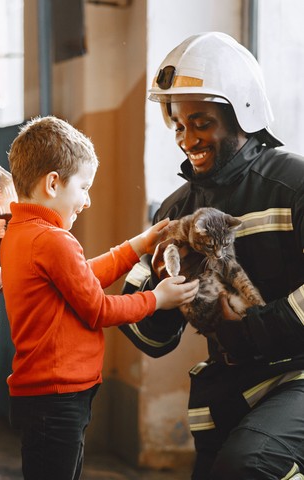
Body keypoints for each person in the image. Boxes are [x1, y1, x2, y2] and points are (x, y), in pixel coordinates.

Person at [120, 32, 304, 480]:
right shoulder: (175, 211)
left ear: (242, 114)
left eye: (201, 122)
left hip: (297, 380)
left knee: (250, 466)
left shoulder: (294, 184)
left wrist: (249, 332)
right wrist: (162, 286)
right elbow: (149, 336)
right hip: (228, 393)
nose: (186, 139)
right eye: (179, 125)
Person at [0, 115, 199, 480]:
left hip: (45, 395)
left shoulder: (22, 232)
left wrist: (138, 244)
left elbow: (82, 278)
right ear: (54, 183)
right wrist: (157, 299)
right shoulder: (52, 240)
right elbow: (98, 308)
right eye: (84, 187)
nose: (88, 201)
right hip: (58, 399)